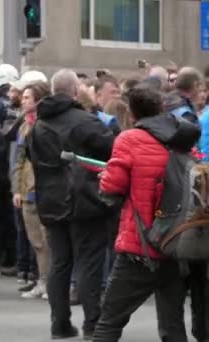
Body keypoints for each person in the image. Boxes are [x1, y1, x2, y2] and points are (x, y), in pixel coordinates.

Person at [93, 86, 196, 342]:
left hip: (140, 245)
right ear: (161, 108)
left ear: (132, 111)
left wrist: (104, 176)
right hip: (176, 241)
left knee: (109, 321)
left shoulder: (129, 139)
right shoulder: (180, 137)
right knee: (172, 325)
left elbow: (113, 187)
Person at [28, 69, 114, 339]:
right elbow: (111, 150)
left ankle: (60, 323)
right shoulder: (85, 121)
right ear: (76, 90)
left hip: (52, 200)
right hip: (85, 199)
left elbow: (32, 158)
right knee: (89, 263)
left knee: (60, 263)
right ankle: (92, 324)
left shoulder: (38, 125)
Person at [12, 82, 51, 300]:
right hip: (27, 189)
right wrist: (16, 189)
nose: (23, 100)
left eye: (28, 97)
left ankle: (50, 281)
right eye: (24, 97)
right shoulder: (23, 126)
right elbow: (18, 160)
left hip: (44, 189)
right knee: (35, 241)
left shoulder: (45, 125)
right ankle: (42, 279)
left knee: (47, 240)